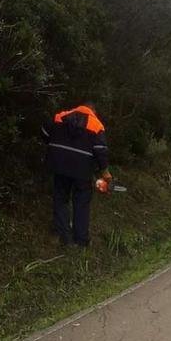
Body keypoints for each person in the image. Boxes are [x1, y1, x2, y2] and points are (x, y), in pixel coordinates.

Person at [41, 103, 110, 247]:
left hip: (59, 165)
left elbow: (44, 131)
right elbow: (101, 150)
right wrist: (104, 171)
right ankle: (81, 240)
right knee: (81, 203)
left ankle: (65, 238)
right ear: (93, 111)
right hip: (82, 170)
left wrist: (55, 146)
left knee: (60, 199)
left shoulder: (61, 116)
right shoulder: (96, 125)